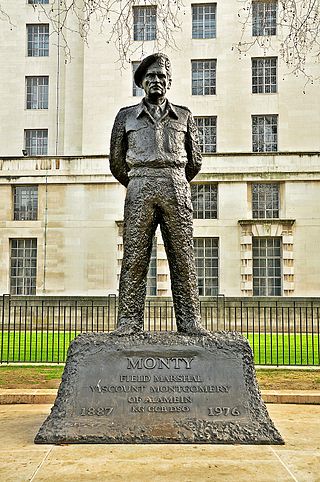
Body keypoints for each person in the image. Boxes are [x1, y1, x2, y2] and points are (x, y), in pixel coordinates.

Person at [110, 53, 208, 335]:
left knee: (183, 256)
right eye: (150, 76)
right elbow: (116, 162)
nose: (156, 81)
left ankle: (190, 322)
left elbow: (195, 160)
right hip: (139, 184)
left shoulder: (185, 115)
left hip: (175, 184)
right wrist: (140, 177)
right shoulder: (125, 117)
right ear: (141, 82)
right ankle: (129, 322)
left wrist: (173, 177)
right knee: (135, 256)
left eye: (161, 77)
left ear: (169, 82)